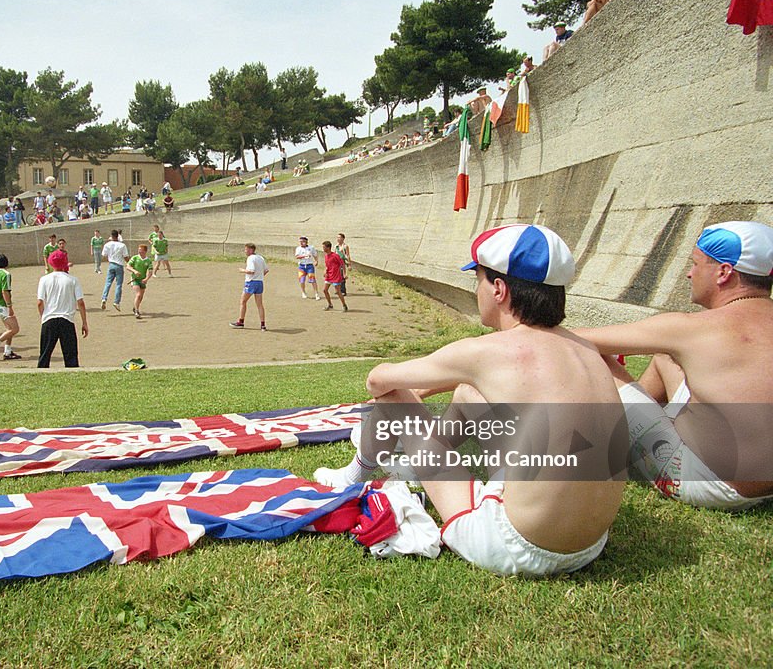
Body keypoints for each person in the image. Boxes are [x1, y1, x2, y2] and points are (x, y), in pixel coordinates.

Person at [315, 224, 627, 577]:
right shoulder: (585, 348)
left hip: (517, 545)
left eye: (477, 279)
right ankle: (422, 465)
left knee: (395, 399)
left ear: (498, 289)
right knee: (468, 393)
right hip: (589, 545)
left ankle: (355, 473)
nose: (475, 289)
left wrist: (410, 396)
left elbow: (378, 380)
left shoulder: (488, 352)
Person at [575, 221, 773, 510]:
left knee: (597, 358)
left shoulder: (691, 328)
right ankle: (630, 430)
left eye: (695, 264)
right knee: (665, 356)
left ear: (723, 272)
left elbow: (576, 340)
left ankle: (613, 439)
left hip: (711, 484)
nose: (689, 274)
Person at [37, 250, 88, 368]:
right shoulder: (73, 279)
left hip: (49, 319)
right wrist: (84, 322)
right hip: (67, 319)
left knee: (44, 354)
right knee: (71, 356)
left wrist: (43, 317)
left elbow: (40, 302)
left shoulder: (44, 279)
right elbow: (80, 302)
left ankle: (41, 374)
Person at [0, 254, 21, 360]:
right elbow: (5, 291)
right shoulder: (6, 274)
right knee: (15, 329)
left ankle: (8, 351)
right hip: (3, 305)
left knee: (9, 329)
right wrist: (9, 306)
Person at [230, 243, 268, 331]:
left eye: (246, 249)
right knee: (259, 304)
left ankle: (241, 321)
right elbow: (266, 270)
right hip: (260, 282)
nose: (245, 251)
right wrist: (259, 276)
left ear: (251, 250)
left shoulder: (250, 258)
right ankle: (263, 325)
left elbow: (251, 271)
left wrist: (242, 270)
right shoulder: (260, 257)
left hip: (251, 283)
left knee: (243, 301)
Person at [100, 229, 130, 311]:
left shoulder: (107, 244)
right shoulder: (122, 245)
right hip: (119, 265)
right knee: (118, 284)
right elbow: (126, 257)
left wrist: (110, 258)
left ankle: (104, 298)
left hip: (111, 264)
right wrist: (130, 263)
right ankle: (116, 302)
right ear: (118, 236)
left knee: (108, 282)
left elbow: (104, 255)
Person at [126, 243, 154, 319]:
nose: (139, 252)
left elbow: (150, 271)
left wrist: (146, 279)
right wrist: (134, 271)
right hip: (135, 279)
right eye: (139, 250)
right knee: (138, 294)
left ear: (145, 251)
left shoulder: (148, 260)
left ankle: (135, 307)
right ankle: (137, 311)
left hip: (142, 280)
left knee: (141, 296)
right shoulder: (135, 258)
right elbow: (128, 266)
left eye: (141, 251)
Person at [321, 240, 348, 312]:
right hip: (329, 276)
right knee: (325, 290)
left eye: (324, 247)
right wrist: (325, 271)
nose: (323, 249)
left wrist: (344, 274)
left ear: (328, 247)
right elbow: (327, 266)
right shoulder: (326, 256)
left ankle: (344, 305)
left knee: (338, 291)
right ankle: (330, 305)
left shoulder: (335, 256)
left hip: (336, 276)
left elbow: (342, 264)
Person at [295, 236, 321, 300]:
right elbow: (297, 256)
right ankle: (303, 292)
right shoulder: (298, 248)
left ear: (306, 242)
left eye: (302, 241)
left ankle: (316, 293)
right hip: (302, 266)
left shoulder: (311, 248)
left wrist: (316, 261)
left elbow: (315, 255)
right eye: (300, 242)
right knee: (302, 280)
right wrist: (304, 256)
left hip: (309, 266)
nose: (301, 243)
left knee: (312, 280)